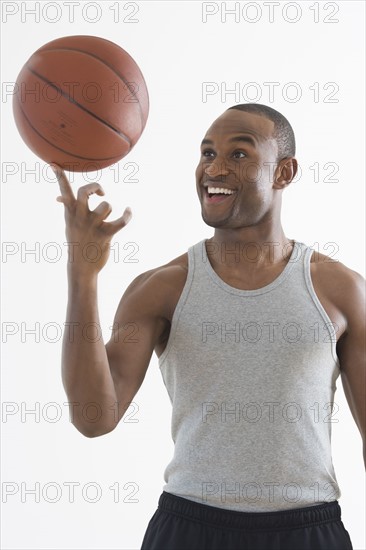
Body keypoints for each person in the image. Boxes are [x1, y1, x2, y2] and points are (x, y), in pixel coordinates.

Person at [53, 103, 364, 550]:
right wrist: (82, 275)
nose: (213, 168)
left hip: (307, 530)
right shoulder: (161, 288)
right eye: (206, 153)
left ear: (284, 172)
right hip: (189, 528)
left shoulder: (341, 290)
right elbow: (93, 418)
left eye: (239, 154)